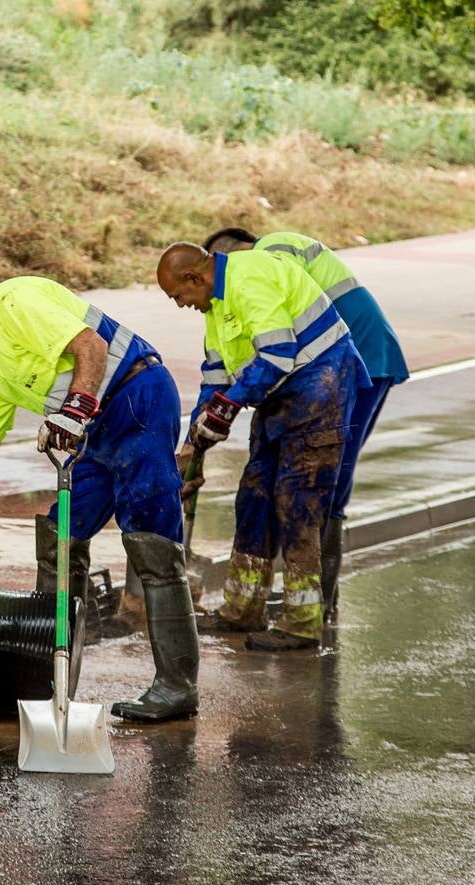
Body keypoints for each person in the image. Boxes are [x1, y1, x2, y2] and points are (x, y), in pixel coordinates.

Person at [0, 268, 199, 721]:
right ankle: (51, 682)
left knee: (149, 542)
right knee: (60, 538)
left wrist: (74, 412)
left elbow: (90, 345)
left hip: (138, 396)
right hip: (94, 428)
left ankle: (177, 688)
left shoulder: (12, 303)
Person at [156, 243, 369, 650]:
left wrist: (227, 409)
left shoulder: (249, 276)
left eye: (178, 296)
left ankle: (302, 622)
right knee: (253, 495)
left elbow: (277, 353)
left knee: (297, 500)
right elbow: (216, 380)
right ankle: (243, 608)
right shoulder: (215, 310)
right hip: (281, 393)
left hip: (320, 383)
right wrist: (193, 445)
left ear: (194, 278)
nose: (180, 305)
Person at [199, 227, 408, 616]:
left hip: (356, 360)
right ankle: (293, 599)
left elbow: (282, 334)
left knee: (326, 477)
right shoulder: (230, 300)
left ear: (230, 257)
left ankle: (319, 602)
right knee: (276, 484)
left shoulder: (269, 254)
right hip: (313, 374)